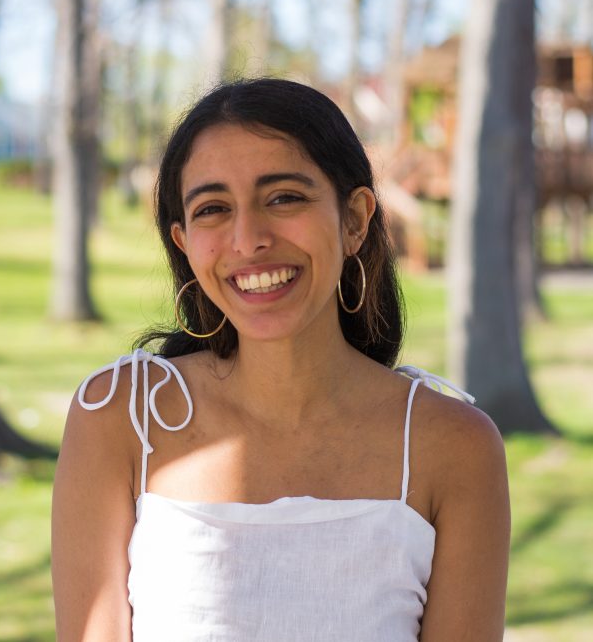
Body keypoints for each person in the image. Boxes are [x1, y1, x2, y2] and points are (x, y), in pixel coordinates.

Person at [51, 78, 510, 641]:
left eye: (284, 198)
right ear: (184, 242)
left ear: (354, 219)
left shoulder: (454, 446)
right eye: (213, 209)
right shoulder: (121, 421)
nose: (248, 240)